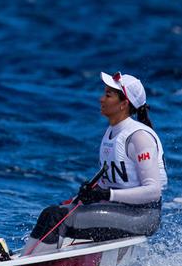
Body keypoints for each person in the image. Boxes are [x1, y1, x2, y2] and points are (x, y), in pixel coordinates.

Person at [21, 71, 167, 256]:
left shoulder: (139, 137)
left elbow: (153, 191)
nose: (101, 99)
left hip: (143, 216)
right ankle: (27, 258)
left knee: (55, 217)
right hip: (118, 210)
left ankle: (29, 264)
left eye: (108, 95)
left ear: (124, 104)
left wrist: (107, 194)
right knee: (53, 212)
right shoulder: (111, 133)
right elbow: (110, 183)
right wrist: (85, 196)